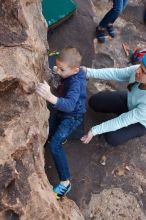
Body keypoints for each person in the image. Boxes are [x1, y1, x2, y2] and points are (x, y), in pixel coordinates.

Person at [36, 47, 86, 199]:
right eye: (57, 66)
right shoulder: (70, 71)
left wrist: (49, 96)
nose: (58, 71)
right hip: (62, 110)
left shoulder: (76, 83)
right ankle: (57, 135)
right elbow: (59, 72)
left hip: (72, 116)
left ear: (75, 70)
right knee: (49, 129)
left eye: (62, 69)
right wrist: (56, 71)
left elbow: (70, 105)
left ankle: (65, 182)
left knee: (54, 145)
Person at [81, 55, 146, 146]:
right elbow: (116, 73)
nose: (138, 71)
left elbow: (122, 121)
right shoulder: (137, 70)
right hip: (129, 102)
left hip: (140, 122)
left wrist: (94, 130)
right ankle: (119, 114)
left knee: (112, 138)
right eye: (140, 66)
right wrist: (88, 72)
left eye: (143, 71)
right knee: (95, 101)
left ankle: (134, 130)